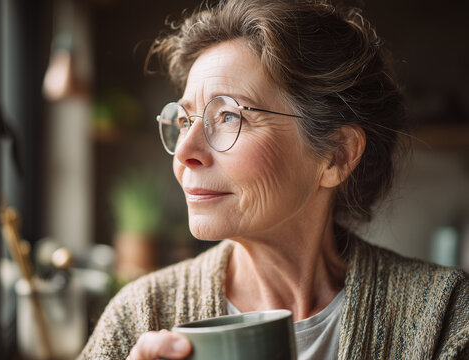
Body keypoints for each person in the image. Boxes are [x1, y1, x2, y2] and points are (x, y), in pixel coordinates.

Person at [80, 0, 469, 359]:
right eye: (185, 121)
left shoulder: (443, 317)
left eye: (229, 116)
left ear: (337, 155)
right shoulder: (139, 315)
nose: (184, 152)